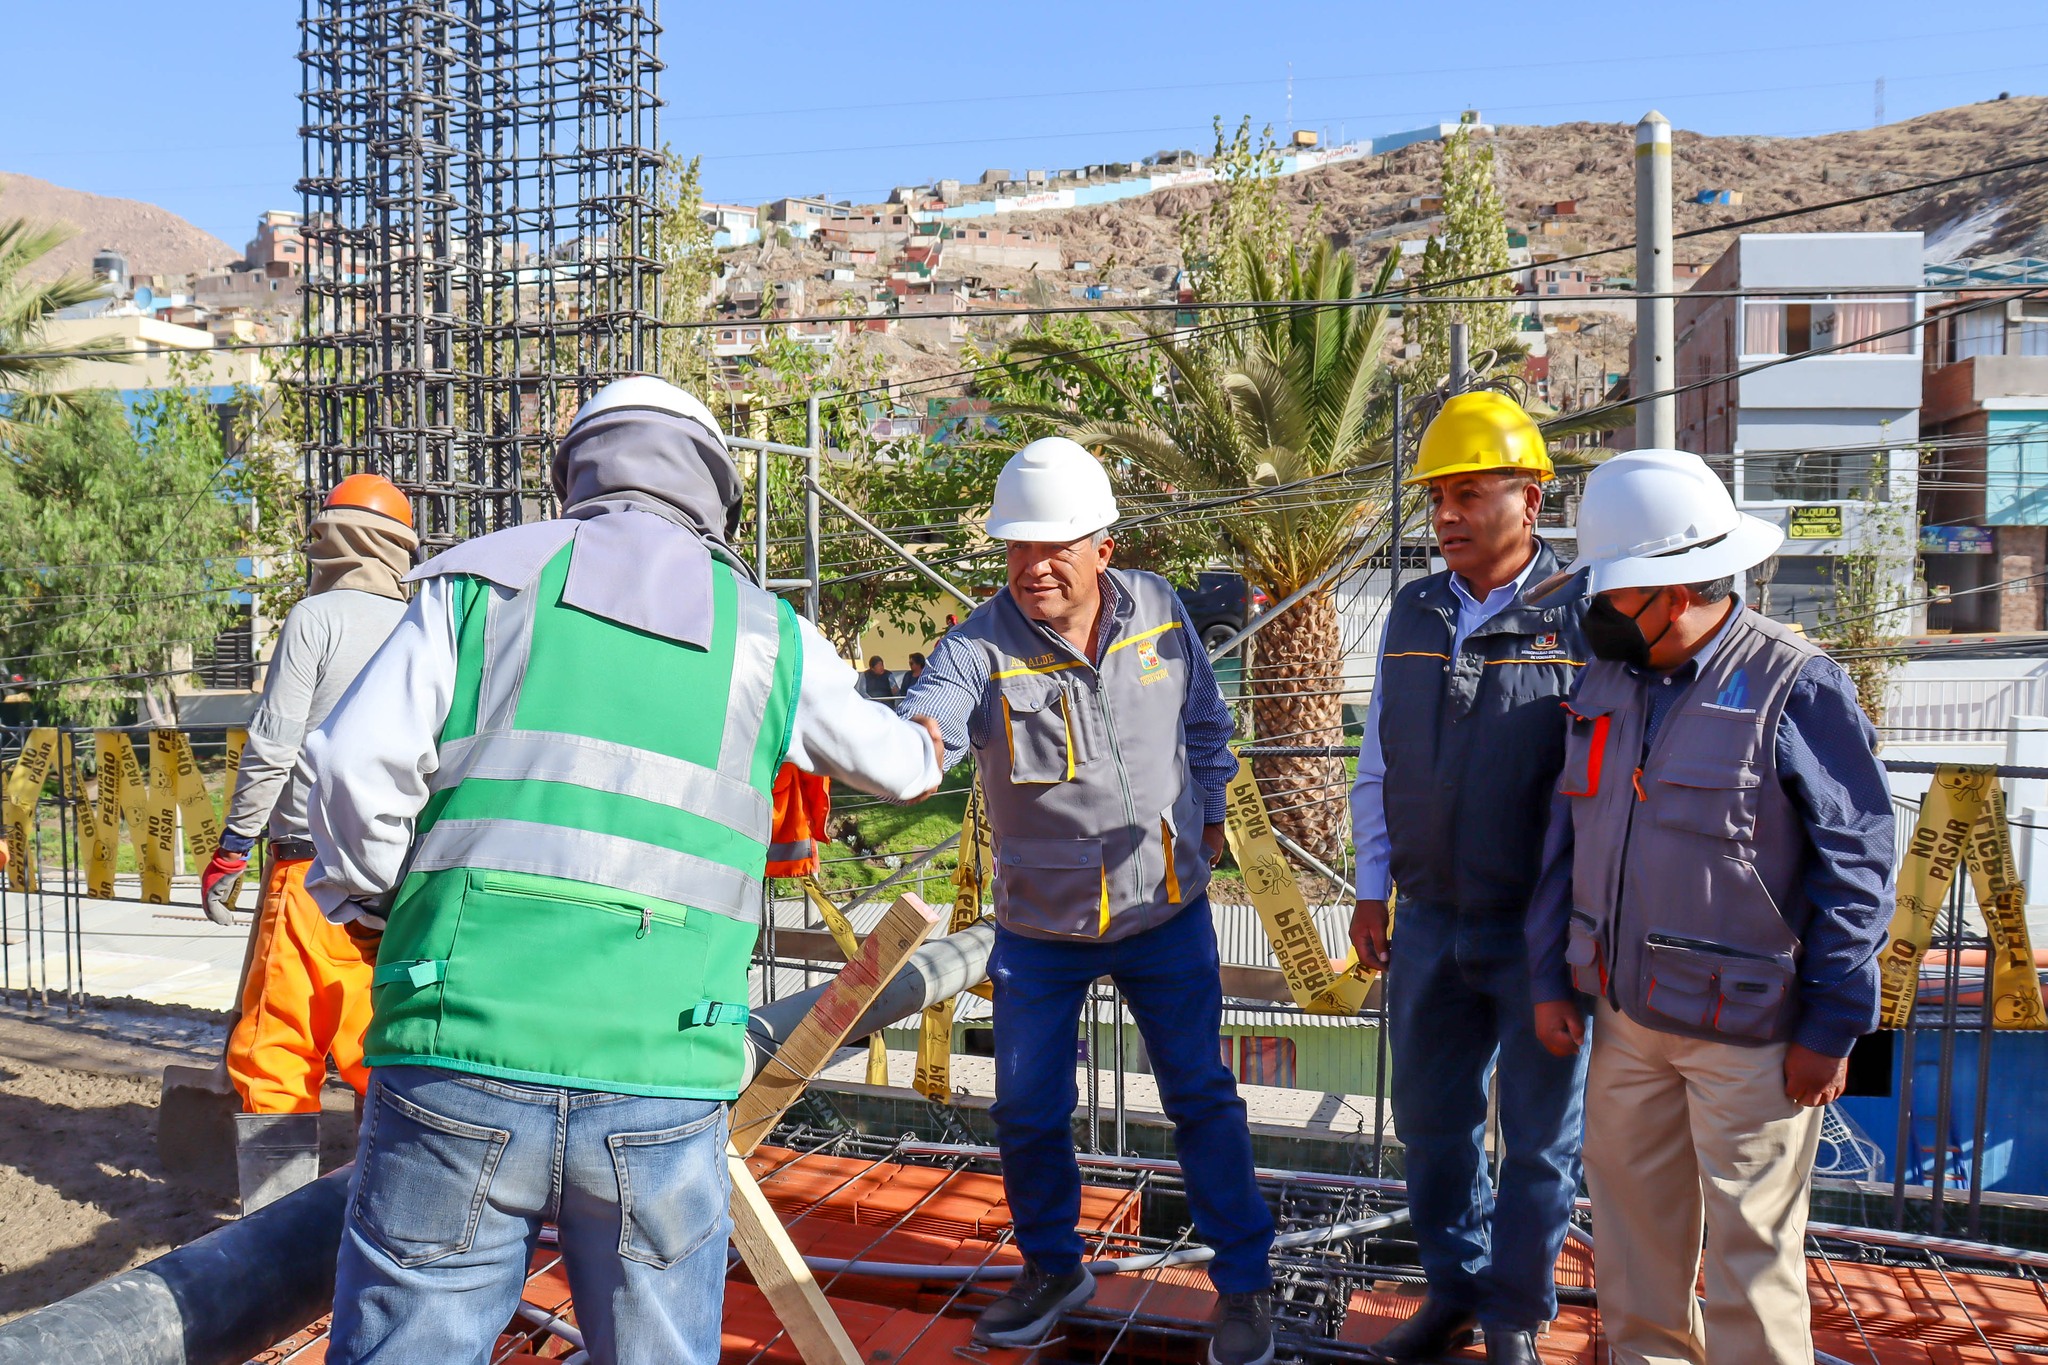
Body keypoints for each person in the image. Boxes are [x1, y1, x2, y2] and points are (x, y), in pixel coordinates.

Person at [302, 376, 944, 1365]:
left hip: (459, 1047)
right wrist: (932, 734)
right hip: (662, 1073)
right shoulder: (765, 632)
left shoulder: (475, 583)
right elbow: (899, 768)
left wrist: (380, 903)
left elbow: (351, 765)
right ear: (715, 489)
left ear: (576, 469)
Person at [904, 437, 1275, 1365]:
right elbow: (932, 712)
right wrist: (908, 739)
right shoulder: (979, 647)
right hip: (1040, 930)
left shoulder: (1160, 610)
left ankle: (1244, 1283)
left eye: (1055, 546)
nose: (1034, 565)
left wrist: (1212, 814)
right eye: (1019, 546)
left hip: (1167, 918)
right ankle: (1052, 1267)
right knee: (1028, 1111)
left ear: (1103, 548)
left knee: (1202, 1098)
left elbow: (1205, 723)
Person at [1523, 448, 1894, 1365]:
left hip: (1754, 1041)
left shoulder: (1795, 683)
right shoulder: (1607, 681)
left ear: (1677, 591)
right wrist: (1551, 977)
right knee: (1632, 1253)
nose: (1595, 609)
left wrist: (1834, 1026)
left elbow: (1858, 865)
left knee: (1751, 1264)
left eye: (1614, 591)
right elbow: (1567, 838)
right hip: (1626, 1022)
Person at [1345, 393, 1589, 1365]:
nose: (1446, 515)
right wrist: (1371, 886)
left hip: (1540, 929)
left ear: (1529, 498)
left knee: (1538, 1138)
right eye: (1436, 497)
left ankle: (1514, 1314)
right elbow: (1378, 755)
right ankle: (1453, 1290)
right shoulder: (1414, 607)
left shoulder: (1581, 612)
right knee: (1431, 1122)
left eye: (1469, 493)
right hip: (1429, 918)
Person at [198, 473, 418, 1213]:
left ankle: (274, 1234)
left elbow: (273, 745)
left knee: (277, 1050)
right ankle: (385, 1215)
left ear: (331, 539)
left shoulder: (314, 619)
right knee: (378, 1048)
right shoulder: (427, 628)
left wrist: (234, 847)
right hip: (398, 884)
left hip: (308, 871)